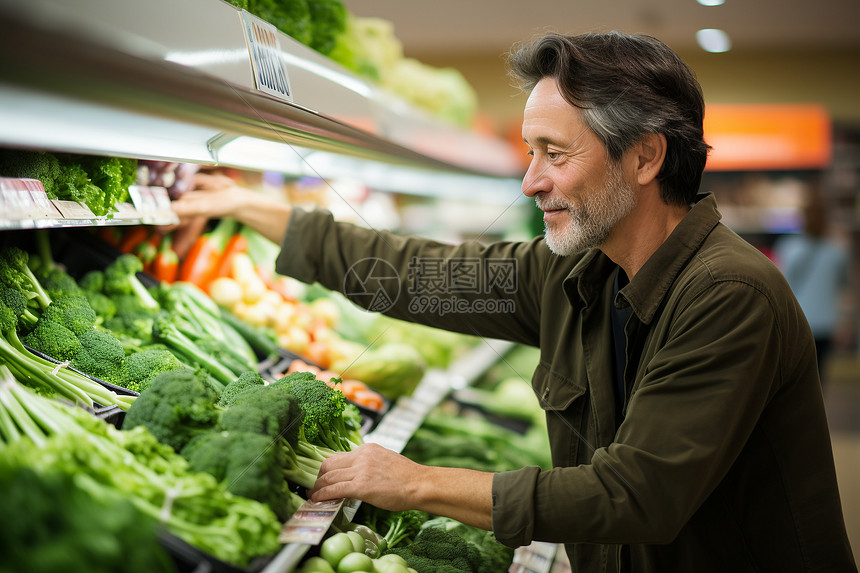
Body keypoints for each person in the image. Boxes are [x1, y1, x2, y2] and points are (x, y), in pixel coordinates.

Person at [170, 32, 856, 573]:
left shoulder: (729, 295)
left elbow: (634, 494)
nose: (530, 182)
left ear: (645, 158)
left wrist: (416, 483)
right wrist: (257, 209)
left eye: (554, 154)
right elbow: (421, 274)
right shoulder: (578, 273)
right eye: (529, 153)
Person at [773, 191, 851, 381]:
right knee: (818, 376)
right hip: (826, 323)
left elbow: (779, 285)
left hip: (797, 321)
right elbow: (842, 287)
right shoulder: (838, 250)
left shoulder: (788, 247)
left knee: (795, 378)